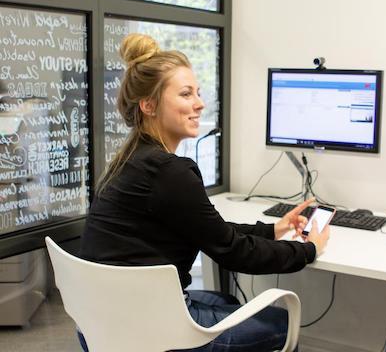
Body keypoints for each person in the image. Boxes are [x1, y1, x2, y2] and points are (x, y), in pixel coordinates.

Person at [79, 33, 330, 352]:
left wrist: (274, 229)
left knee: (225, 299)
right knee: (280, 324)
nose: (200, 103)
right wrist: (309, 250)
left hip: (102, 328)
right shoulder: (169, 171)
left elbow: (210, 232)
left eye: (197, 93)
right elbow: (233, 252)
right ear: (149, 105)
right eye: (186, 94)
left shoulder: (129, 161)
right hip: (150, 334)